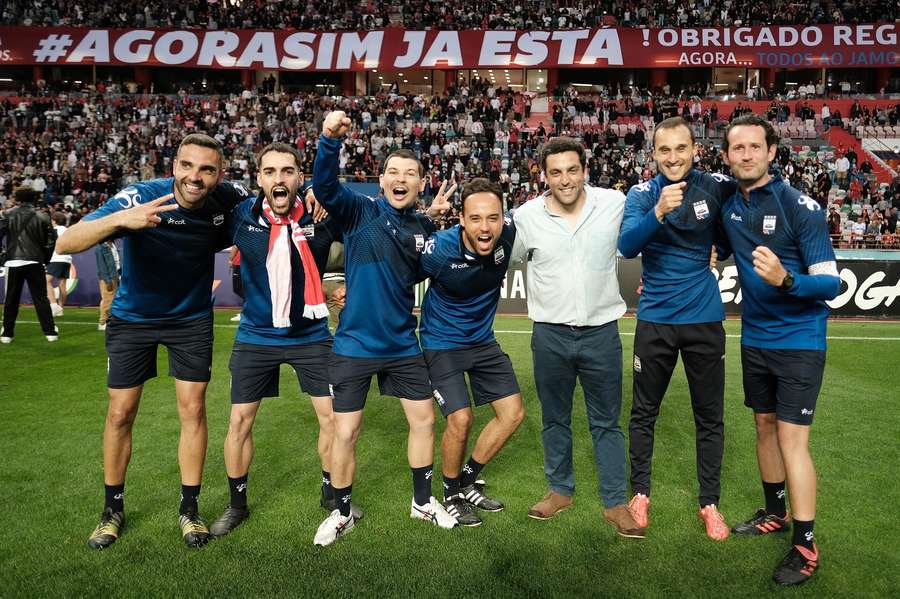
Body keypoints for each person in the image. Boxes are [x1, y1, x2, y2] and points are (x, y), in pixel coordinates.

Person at [55, 133, 252, 550]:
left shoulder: (228, 199)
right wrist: (120, 222)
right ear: (173, 165)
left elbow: (273, 196)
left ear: (219, 175)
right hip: (133, 319)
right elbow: (67, 241)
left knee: (194, 410)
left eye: (206, 169)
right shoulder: (140, 198)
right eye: (187, 166)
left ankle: (190, 509)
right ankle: (111, 511)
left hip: (191, 320)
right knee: (121, 413)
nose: (194, 177)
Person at [311, 110, 457, 546]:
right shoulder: (361, 211)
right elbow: (325, 187)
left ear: (419, 183)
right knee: (346, 431)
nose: (400, 178)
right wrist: (329, 141)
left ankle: (421, 502)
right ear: (381, 180)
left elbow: (408, 270)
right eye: (393, 171)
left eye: (409, 173)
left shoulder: (421, 226)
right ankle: (340, 513)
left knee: (424, 421)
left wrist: (431, 217)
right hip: (354, 344)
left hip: (401, 344)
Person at [207, 143, 357, 538]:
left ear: (299, 177)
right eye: (270, 171)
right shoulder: (240, 215)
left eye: (287, 171)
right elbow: (198, 194)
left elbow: (366, 235)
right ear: (259, 178)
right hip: (256, 335)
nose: (279, 178)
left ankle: (331, 492)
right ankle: (236, 503)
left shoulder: (321, 216)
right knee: (239, 420)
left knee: (332, 418)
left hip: (311, 334)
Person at [719, 115, 840, 586]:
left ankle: (806, 545)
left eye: (754, 147)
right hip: (756, 339)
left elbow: (831, 283)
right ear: (727, 155)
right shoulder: (730, 203)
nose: (745, 155)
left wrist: (786, 279)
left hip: (799, 343)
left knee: (793, 441)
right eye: (737, 148)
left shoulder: (800, 208)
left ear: (772, 152)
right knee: (763, 428)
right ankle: (775, 513)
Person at [510, 137, 643, 538]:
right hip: (549, 333)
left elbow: (650, 234)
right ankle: (559, 490)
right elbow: (501, 256)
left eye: (572, 170)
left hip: (601, 333)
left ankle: (615, 501)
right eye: (555, 172)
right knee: (555, 418)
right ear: (543, 176)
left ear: (585, 169)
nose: (565, 179)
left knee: (607, 422)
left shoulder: (615, 203)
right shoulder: (526, 216)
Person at [618, 117, 735, 541]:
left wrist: (720, 249)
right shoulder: (642, 194)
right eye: (664, 150)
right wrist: (658, 212)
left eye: (680, 149)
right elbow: (627, 245)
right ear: (653, 153)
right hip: (654, 321)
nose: (673, 158)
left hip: (704, 320)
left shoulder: (715, 187)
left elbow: (733, 229)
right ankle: (641, 494)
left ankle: (710, 503)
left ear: (694, 149)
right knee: (643, 412)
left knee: (709, 417)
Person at [418, 177, 525, 527]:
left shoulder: (508, 235)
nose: (485, 226)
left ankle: (467, 479)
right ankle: (449, 494)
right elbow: (396, 274)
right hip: (441, 342)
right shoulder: (440, 250)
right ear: (461, 219)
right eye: (476, 218)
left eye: (492, 218)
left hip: (482, 340)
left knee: (512, 413)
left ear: (503, 218)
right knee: (460, 418)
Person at [0, 185, 58, 343]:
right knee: (41, 298)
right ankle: (50, 332)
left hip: (14, 261)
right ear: (34, 198)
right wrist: (45, 258)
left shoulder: (8, 214)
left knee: (11, 299)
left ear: (17, 198)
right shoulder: (42, 216)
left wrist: (3, 255)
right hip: (35, 260)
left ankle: (7, 333)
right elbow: (51, 241)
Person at [45, 212, 73, 317]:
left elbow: (48, 245)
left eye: (51, 219)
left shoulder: (54, 230)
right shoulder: (68, 231)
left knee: (45, 281)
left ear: (54, 220)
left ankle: (53, 306)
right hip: (67, 259)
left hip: (56, 258)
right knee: (62, 284)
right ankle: (60, 309)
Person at [95, 240, 119, 331]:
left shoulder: (113, 245)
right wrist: (107, 280)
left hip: (115, 275)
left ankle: (110, 320)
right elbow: (101, 266)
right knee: (107, 299)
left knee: (113, 300)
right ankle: (102, 322)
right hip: (108, 277)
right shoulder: (100, 248)